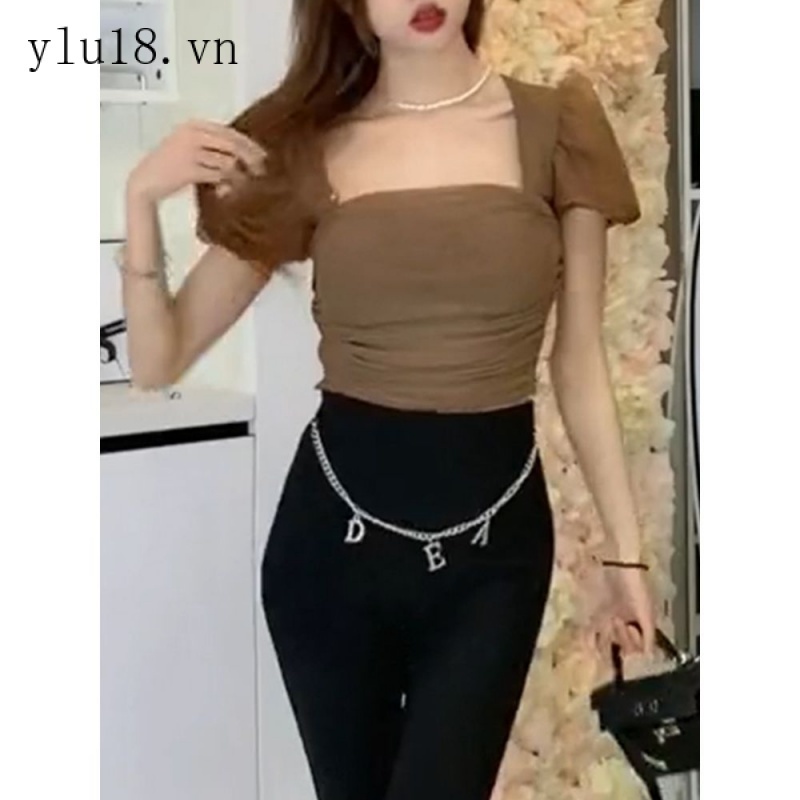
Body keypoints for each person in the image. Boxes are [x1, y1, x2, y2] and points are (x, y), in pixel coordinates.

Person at [120, 1, 656, 799]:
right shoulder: (306, 147)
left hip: (493, 560)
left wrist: (625, 555)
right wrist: (140, 199)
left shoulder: (557, 128)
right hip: (330, 557)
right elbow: (158, 359)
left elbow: (578, 361)